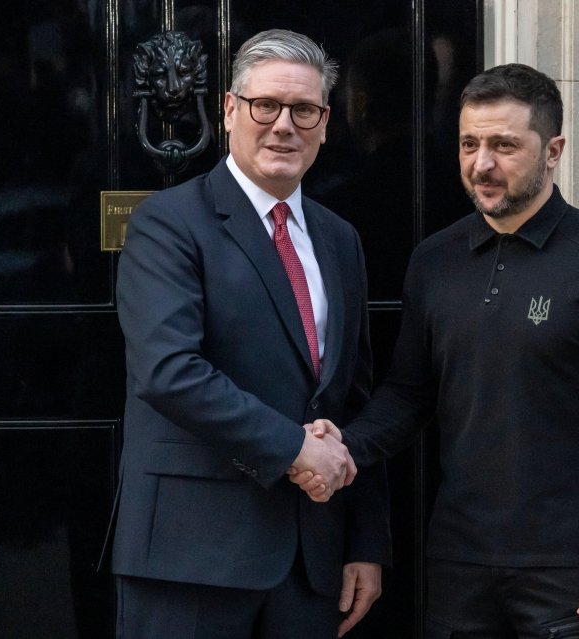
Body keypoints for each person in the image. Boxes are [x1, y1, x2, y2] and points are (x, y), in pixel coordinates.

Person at [292, 63, 579, 637]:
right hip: (459, 562)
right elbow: (409, 394)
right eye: (469, 144)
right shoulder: (434, 260)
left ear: (553, 151)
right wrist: (343, 445)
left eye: (504, 145)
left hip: (572, 572)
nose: (482, 164)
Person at [108, 28, 390, 638]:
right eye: (267, 105)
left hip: (309, 562)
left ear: (324, 122)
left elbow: (353, 399)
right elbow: (169, 371)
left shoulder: (340, 239)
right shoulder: (167, 223)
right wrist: (295, 448)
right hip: (191, 560)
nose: (284, 125)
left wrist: (366, 541)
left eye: (304, 110)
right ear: (231, 109)